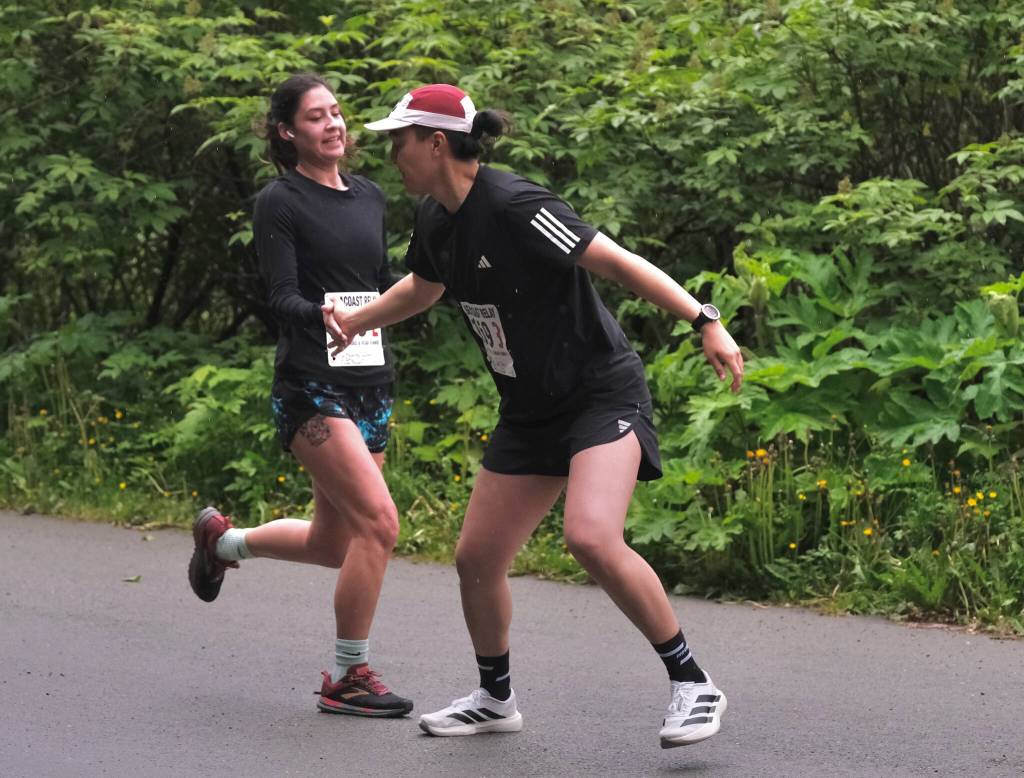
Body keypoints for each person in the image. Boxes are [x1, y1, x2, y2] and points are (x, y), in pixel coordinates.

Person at [324, 83, 744, 747]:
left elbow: (613, 260)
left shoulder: (516, 204)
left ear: (436, 144)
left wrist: (704, 319)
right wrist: (356, 320)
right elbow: (424, 288)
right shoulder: (436, 219)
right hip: (529, 411)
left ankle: (692, 681)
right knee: (477, 559)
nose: (390, 154)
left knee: (591, 536)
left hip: (600, 393)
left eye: (398, 141)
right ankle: (495, 699)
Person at [186, 73, 412, 718]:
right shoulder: (279, 201)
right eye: (317, 117)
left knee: (333, 545)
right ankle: (348, 676)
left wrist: (427, 283)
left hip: (372, 384)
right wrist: (323, 315)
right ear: (288, 132)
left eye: (338, 113)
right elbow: (280, 297)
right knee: (380, 524)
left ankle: (222, 545)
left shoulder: (368, 196)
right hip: (312, 386)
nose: (334, 124)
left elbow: (383, 283)